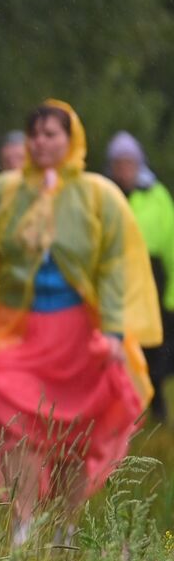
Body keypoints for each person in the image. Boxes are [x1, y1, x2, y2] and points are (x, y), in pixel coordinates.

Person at [0, 101, 162, 545]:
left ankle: (65, 524)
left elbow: (115, 267)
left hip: (80, 335)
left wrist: (116, 331)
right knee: (18, 424)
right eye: (34, 134)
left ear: (71, 139)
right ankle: (23, 522)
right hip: (20, 334)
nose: (41, 143)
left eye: (51, 134)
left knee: (76, 433)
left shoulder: (98, 195)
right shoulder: (3, 193)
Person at [106, 130, 174, 421]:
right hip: (119, 279)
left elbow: (170, 241)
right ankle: (129, 411)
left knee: (156, 343)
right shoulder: (106, 194)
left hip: (154, 278)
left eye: (129, 163)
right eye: (119, 163)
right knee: (126, 344)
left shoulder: (156, 194)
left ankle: (156, 406)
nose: (125, 169)